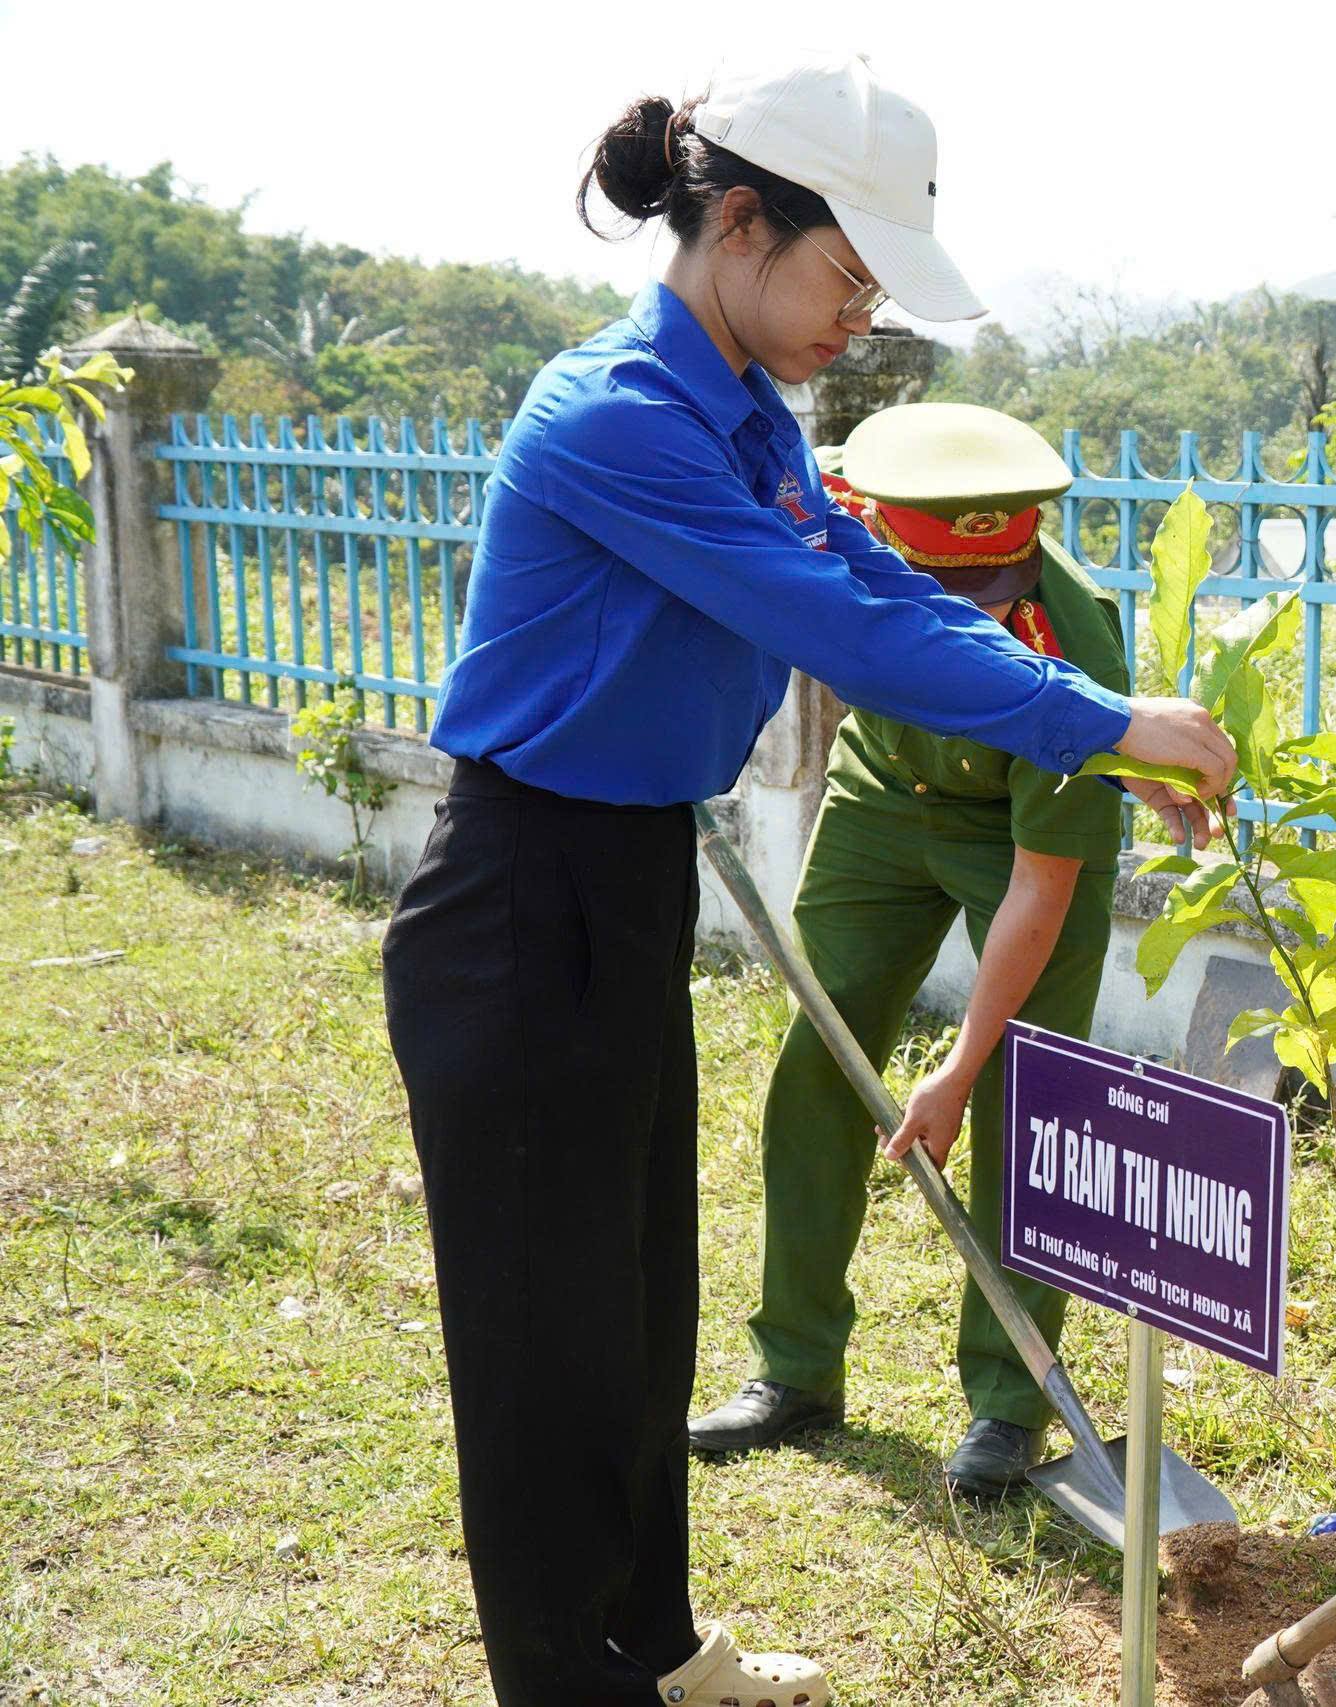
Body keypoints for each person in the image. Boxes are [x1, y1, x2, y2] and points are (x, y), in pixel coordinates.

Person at [380, 59, 1231, 1707]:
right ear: (743, 225)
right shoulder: (617, 415)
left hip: (619, 884)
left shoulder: (754, 413)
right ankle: (571, 1683)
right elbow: (839, 626)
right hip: (514, 897)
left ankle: (655, 1647)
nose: (860, 320)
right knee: (545, 1350)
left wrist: (1098, 726)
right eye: (847, 277)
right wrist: (1107, 715)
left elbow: (877, 580)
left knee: (637, 1313)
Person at [685, 403, 1136, 1498]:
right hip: (883, 797)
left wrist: (959, 1066)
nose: (977, 620)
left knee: (1031, 1105)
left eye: (994, 595)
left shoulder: (1073, 639)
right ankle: (794, 1369)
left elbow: (1042, 880)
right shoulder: (834, 509)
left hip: (1014, 835)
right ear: (880, 537)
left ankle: (1007, 1400)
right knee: (821, 1067)